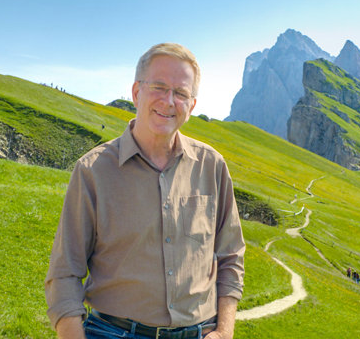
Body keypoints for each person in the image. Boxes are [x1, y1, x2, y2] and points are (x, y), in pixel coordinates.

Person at [45, 43, 246, 339]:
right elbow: (64, 273)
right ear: (137, 92)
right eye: (159, 87)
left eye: (181, 93)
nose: (168, 101)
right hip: (113, 332)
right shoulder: (92, 171)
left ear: (191, 106)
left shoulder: (211, 166)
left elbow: (231, 256)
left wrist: (225, 332)